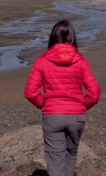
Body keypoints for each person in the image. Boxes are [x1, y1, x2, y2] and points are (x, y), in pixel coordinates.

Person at [24, 20, 101, 176]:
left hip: (53, 116)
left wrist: (46, 104)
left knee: (55, 161)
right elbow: (94, 93)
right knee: (71, 155)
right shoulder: (81, 62)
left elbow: (30, 92)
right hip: (77, 117)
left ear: (53, 36)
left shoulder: (42, 61)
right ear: (72, 37)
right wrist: (80, 105)